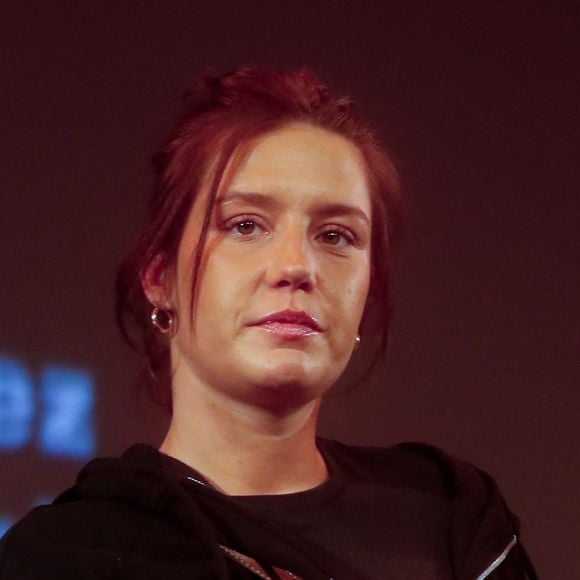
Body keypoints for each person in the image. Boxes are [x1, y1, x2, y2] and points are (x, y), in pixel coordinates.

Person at [0, 67, 538, 579]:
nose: (296, 267)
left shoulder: (451, 514)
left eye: (335, 236)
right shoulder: (68, 558)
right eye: (246, 225)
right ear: (160, 279)